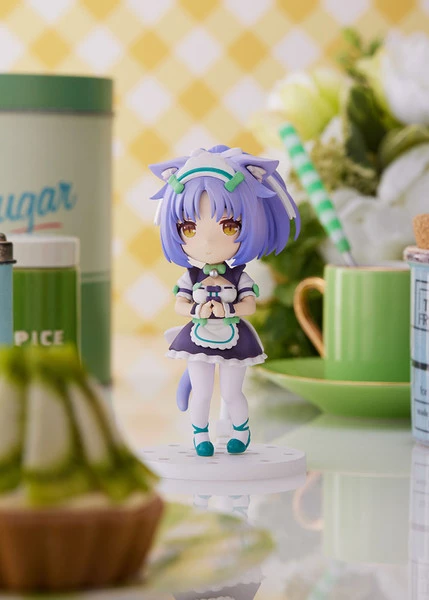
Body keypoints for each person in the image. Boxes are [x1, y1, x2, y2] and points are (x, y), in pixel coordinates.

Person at [150, 146, 300, 457]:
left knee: (232, 393)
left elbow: (249, 305)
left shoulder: (238, 276)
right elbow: (179, 305)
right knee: (202, 392)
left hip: (235, 337)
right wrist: (198, 309)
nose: (207, 241)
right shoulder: (190, 277)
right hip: (198, 336)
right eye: (188, 228)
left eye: (229, 226)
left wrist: (227, 309)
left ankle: (241, 431)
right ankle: (200, 435)